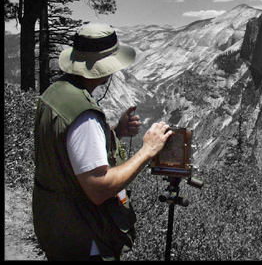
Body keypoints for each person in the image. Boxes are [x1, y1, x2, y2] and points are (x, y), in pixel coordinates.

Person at [32, 23, 173, 261]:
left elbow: (68, 153)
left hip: (55, 226)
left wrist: (115, 132)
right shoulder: (83, 115)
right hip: (84, 238)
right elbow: (98, 188)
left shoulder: (54, 93)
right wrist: (147, 150)